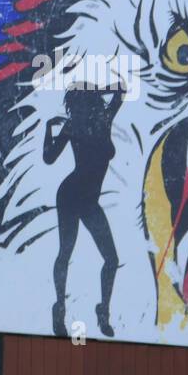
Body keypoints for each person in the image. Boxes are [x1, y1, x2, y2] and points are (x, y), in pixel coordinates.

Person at [45, 85, 123, 337]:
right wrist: (48, 127)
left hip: (89, 201)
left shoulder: (103, 120)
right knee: (65, 252)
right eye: (78, 105)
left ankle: (103, 312)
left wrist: (95, 90)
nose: (80, 110)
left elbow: (120, 91)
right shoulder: (73, 126)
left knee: (111, 258)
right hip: (70, 196)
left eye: (84, 104)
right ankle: (59, 310)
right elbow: (48, 158)